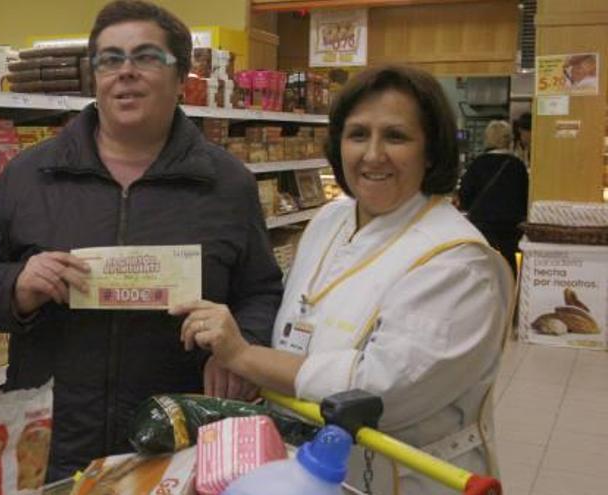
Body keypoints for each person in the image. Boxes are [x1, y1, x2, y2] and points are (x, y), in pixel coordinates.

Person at [0, 0, 283, 482]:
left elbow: (262, 289)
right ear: (95, 76)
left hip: (176, 443)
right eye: (109, 59)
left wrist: (243, 345)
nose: (125, 72)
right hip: (54, 443)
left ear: (181, 75)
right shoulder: (31, 174)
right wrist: (17, 284)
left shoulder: (226, 183)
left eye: (146, 57)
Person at [171, 65, 514, 495]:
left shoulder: (459, 262)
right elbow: (298, 314)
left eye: (396, 136)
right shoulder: (331, 218)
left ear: (430, 151)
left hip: (404, 479)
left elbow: (378, 393)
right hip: (313, 469)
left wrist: (243, 355)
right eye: (357, 135)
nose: (372, 155)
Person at [459, 120, 529, 277]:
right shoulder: (517, 165)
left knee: (483, 266)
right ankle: (509, 295)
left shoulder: (477, 164)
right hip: (510, 226)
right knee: (510, 267)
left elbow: (465, 195)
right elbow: (525, 197)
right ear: (509, 139)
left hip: (482, 223)